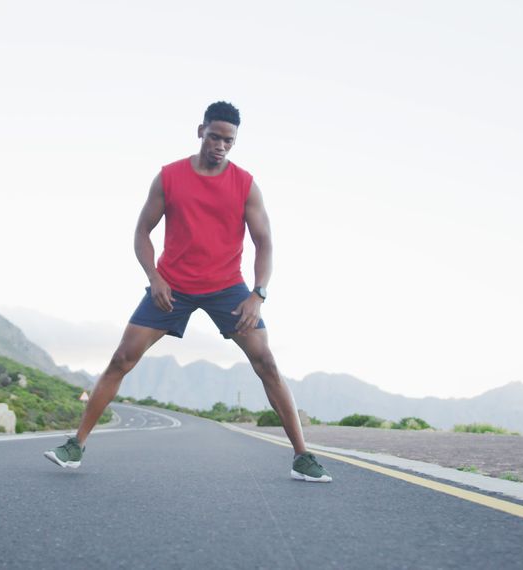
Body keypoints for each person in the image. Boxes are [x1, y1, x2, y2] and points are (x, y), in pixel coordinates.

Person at [45, 101, 331, 482]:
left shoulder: (246, 184)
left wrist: (258, 294)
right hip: (171, 286)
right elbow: (141, 233)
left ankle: (302, 457)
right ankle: (75, 446)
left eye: (229, 140)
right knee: (122, 358)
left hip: (227, 288)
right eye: (214, 137)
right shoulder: (169, 177)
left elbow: (265, 244)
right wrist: (154, 278)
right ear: (201, 131)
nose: (220, 146)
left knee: (267, 363)